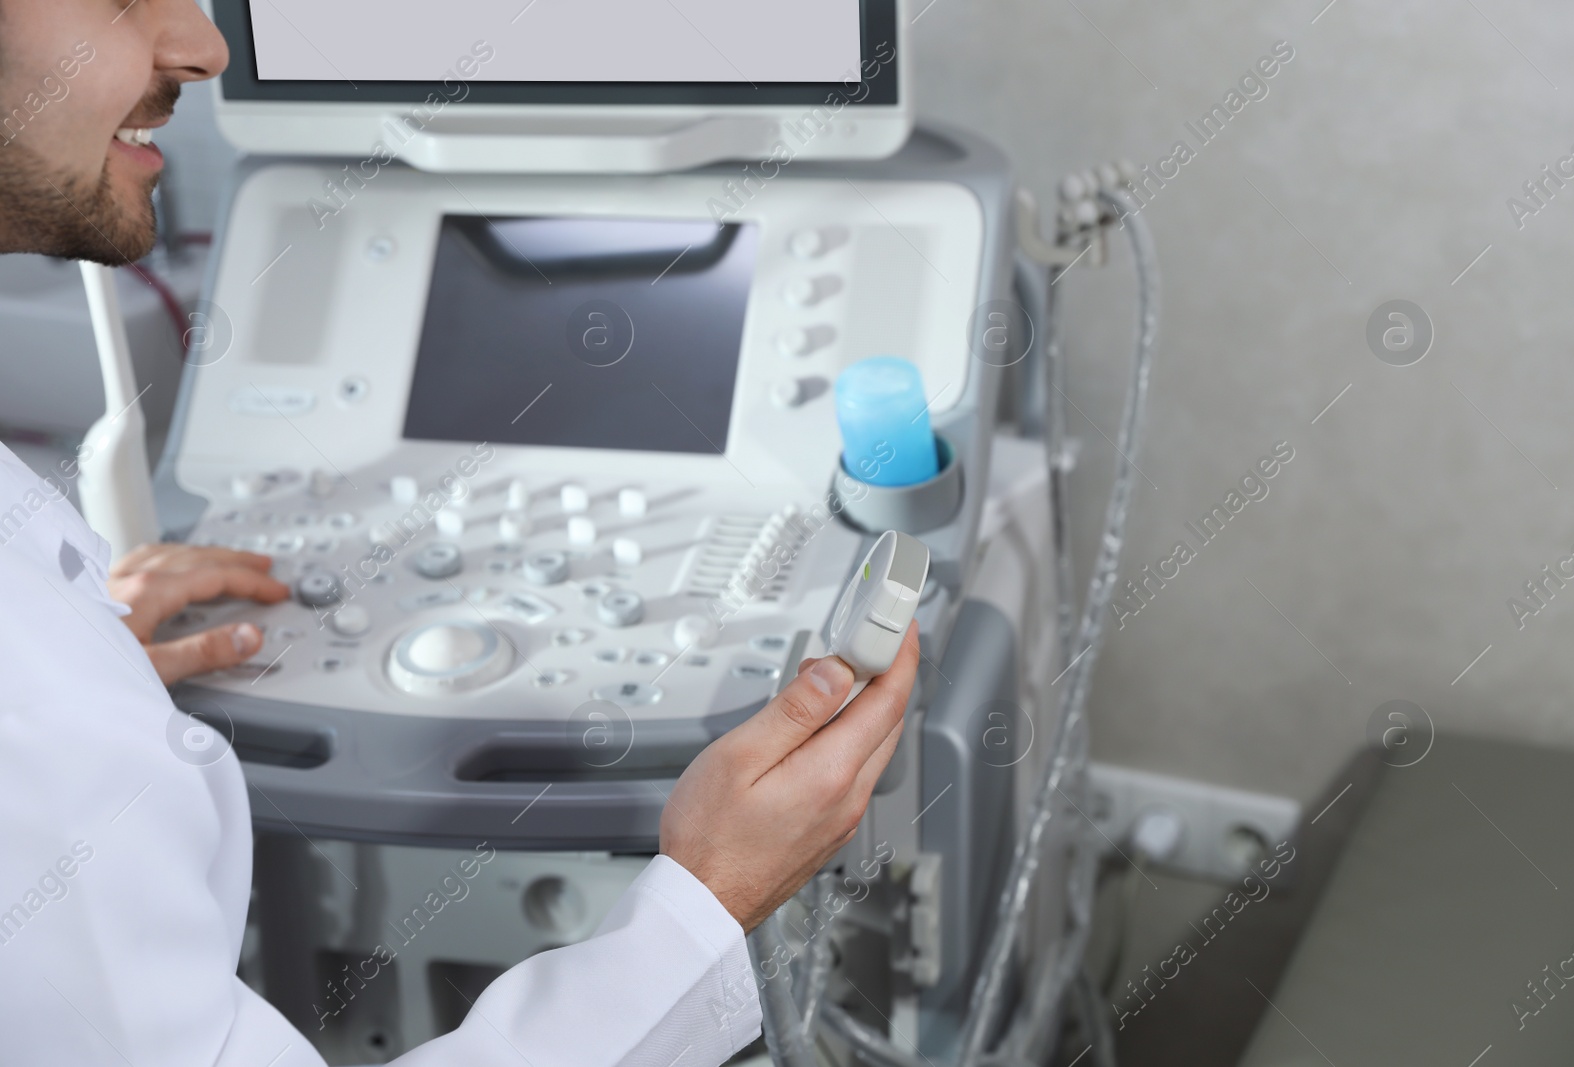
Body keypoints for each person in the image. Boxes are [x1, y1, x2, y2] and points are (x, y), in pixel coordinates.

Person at [0, 2, 919, 1063]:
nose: (205, 44)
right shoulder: (36, 708)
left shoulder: (47, 675)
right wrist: (709, 896)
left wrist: (84, 644)